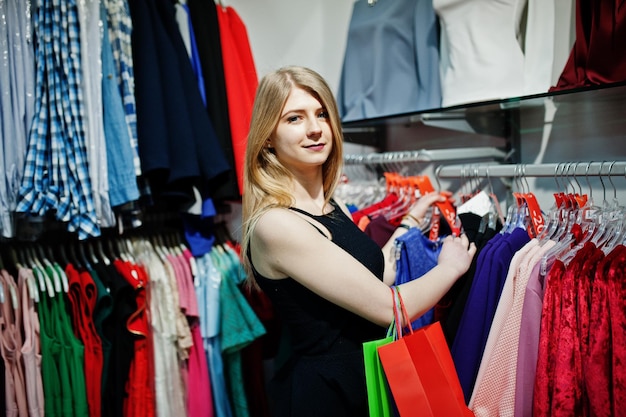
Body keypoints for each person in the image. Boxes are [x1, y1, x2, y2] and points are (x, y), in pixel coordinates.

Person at [240, 65, 477, 417]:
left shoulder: (330, 205)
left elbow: (369, 278)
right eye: (294, 118)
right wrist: (450, 268)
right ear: (268, 136)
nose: (315, 128)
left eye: (321, 114)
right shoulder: (276, 225)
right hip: (327, 395)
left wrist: (409, 222)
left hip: (364, 379)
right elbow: (389, 308)